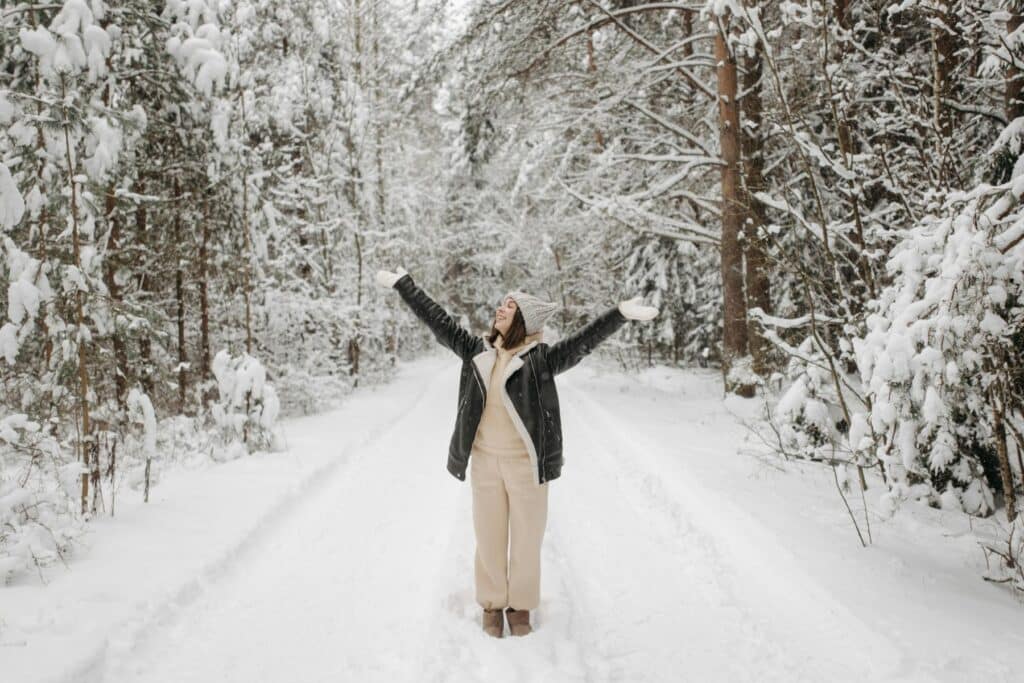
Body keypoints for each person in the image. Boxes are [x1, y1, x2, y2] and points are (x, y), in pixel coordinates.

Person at [375, 267, 658, 638]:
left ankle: (520, 605)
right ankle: (492, 604)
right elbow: (438, 319)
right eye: (501, 305)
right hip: (485, 462)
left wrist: (618, 315)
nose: (500, 309)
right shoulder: (476, 351)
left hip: (526, 465)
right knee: (489, 536)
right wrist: (405, 285)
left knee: (526, 539)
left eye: (510, 306)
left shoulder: (540, 361)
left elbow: (583, 342)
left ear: (523, 319)